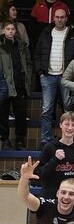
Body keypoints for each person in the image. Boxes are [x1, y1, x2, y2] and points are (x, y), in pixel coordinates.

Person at [34, 7, 74, 144]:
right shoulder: (46, 33)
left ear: (66, 19)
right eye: (57, 17)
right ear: (53, 18)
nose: (60, 19)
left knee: (69, 109)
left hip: (66, 77)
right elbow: (37, 54)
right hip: (47, 76)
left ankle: (70, 140)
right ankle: (45, 141)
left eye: (62, 17)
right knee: (46, 110)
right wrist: (40, 72)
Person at [34, 111, 74, 199]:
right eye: (66, 124)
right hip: (51, 197)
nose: (70, 128)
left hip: (72, 200)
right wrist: (54, 160)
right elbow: (38, 175)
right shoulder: (50, 147)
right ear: (60, 125)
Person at [0, 20, 32, 151]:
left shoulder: (21, 44)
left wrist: (27, 77)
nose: (10, 31)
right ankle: (5, 140)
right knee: (3, 114)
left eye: (12, 29)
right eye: (8, 29)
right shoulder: (1, 45)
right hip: (4, 85)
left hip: (19, 84)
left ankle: (19, 140)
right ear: (3, 30)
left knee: (21, 113)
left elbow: (28, 62)